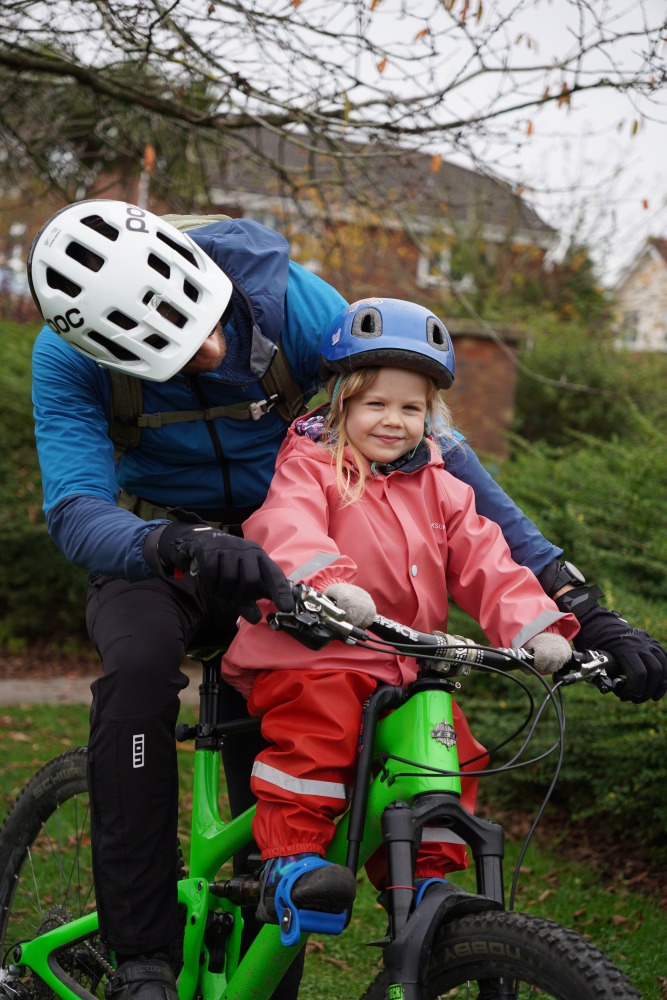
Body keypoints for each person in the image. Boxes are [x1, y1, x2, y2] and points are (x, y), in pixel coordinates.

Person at [27, 201, 667, 1000]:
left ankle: (281, 923)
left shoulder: (291, 301)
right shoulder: (65, 358)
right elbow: (76, 509)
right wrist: (172, 545)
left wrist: (574, 599)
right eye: (179, 356)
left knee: (296, 749)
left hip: (300, 557)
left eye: (210, 331)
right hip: (169, 551)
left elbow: (445, 467)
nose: (213, 355)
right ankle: (143, 957)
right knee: (137, 680)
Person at [220, 297, 582, 923]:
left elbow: (486, 560)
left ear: (431, 416)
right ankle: (293, 860)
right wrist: (328, 584)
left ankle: (424, 882)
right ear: (342, 405)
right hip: (314, 651)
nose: (394, 421)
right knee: (320, 731)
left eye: (411, 408)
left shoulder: (441, 485)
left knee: (449, 744)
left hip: (402, 665)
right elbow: (286, 526)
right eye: (376, 405)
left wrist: (536, 626)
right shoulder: (313, 465)